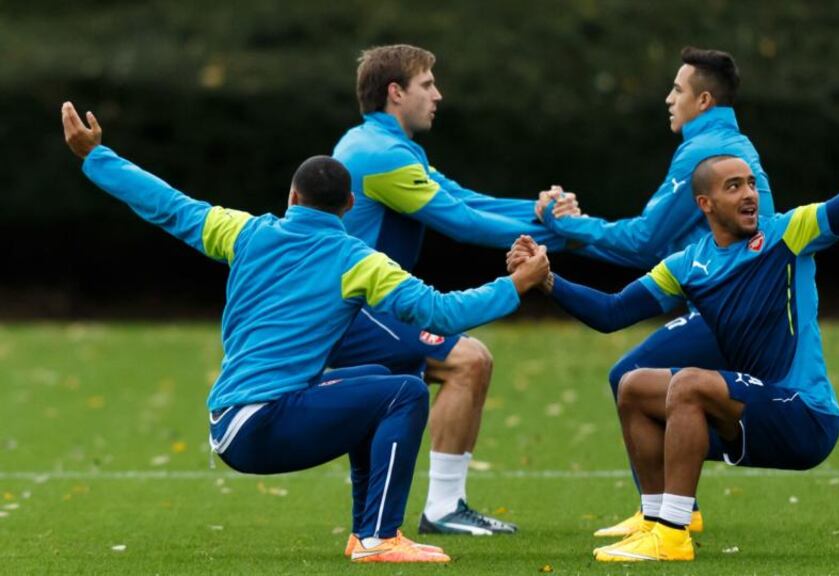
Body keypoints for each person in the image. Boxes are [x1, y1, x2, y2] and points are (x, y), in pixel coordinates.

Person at [61, 101, 551, 563]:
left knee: (379, 378)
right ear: (350, 204)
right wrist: (516, 284)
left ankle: (367, 532)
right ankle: (379, 537)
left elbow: (167, 204)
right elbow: (441, 313)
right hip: (263, 425)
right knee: (404, 392)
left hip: (228, 421)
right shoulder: (358, 261)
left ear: (292, 197)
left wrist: (96, 155)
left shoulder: (244, 231)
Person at [509, 60, 839, 562]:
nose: (749, 195)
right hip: (754, 416)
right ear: (705, 204)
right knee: (633, 384)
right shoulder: (687, 265)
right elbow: (610, 313)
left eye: (751, 184)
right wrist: (546, 280)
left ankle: (672, 536)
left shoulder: (788, 234)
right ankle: (656, 521)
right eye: (733, 187)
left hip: (805, 416)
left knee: (690, 383)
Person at [330, 44, 581, 536]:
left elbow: (464, 198)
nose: (438, 95)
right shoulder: (379, 156)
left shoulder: (383, 146)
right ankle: (441, 510)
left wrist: (538, 212)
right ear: (395, 93)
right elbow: (462, 222)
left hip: (372, 304)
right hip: (357, 310)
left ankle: (423, 512)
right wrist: (570, 233)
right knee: (469, 361)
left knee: (458, 369)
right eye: (427, 85)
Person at [536, 47, 776, 538]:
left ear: (703, 99)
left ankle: (664, 516)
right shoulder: (729, 144)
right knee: (643, 381)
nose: (669, 99)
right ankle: (672, 511)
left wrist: (566, 226)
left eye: (677, 90)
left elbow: (644, 241)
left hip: (736, 310)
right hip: (746, 304)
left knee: (630, 378)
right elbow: (678, 246)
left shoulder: (702, 155)